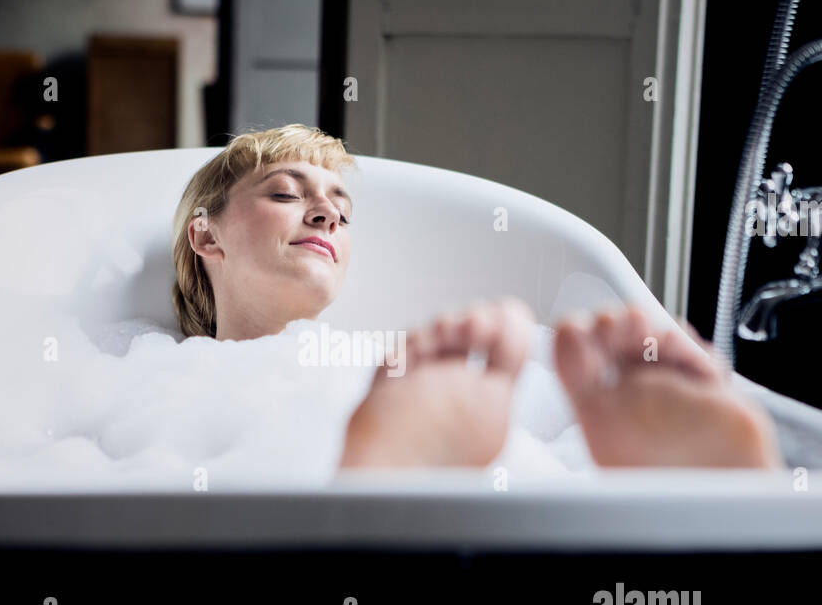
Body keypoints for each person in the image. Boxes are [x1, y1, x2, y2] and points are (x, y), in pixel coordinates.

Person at [171, 124, 782, 471]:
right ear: (206, 233)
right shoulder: (167, 395)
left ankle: (386, 500)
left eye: (342, 209)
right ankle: (697, 524)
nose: (328, 214)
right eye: (285, 194)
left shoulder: (378, 369)